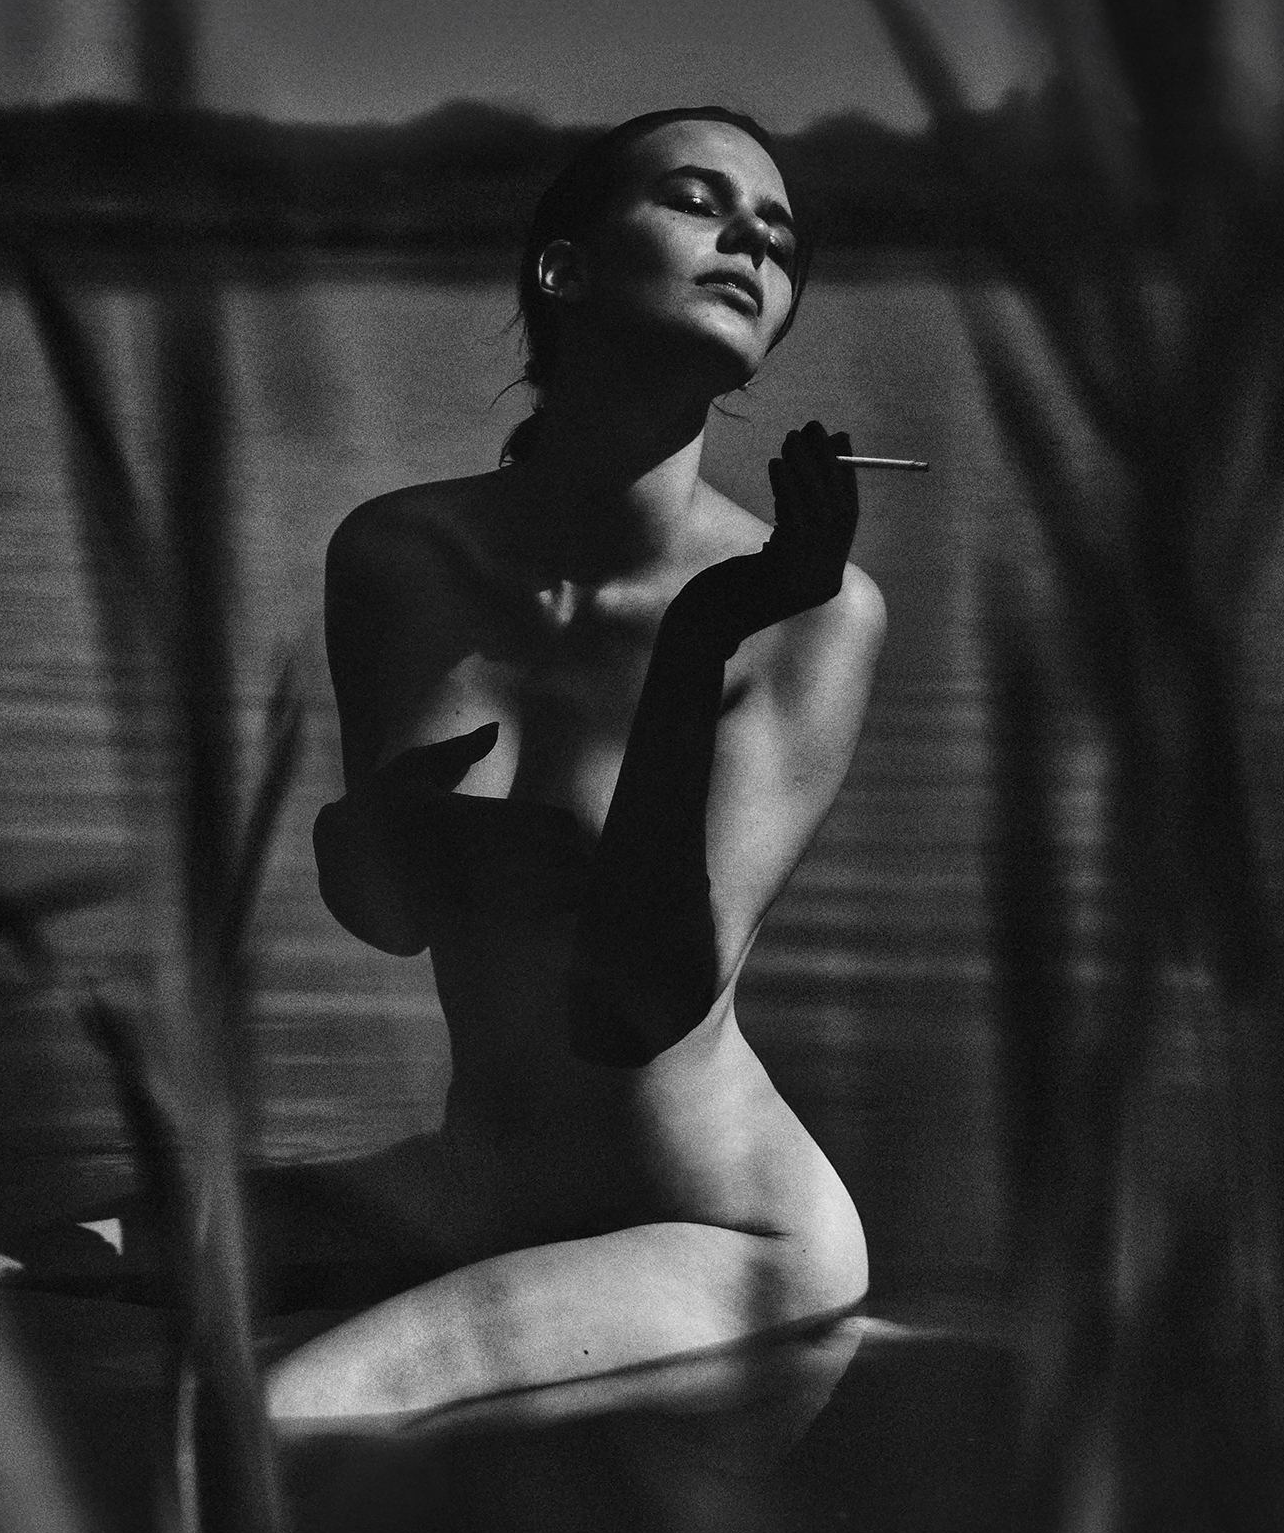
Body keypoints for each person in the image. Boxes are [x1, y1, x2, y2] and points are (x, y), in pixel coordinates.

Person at [258, 106, 886, 1423]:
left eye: (778, 239)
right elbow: (390, 915)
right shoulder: (398, 558)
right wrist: (361, 836)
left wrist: (703, 637)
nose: (750, 241)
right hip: (481, 1181)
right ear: (563, 268)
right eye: (699, 201)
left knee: (282, 1412)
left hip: (722, 1230)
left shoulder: (811, 617)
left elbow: (634, 1010)